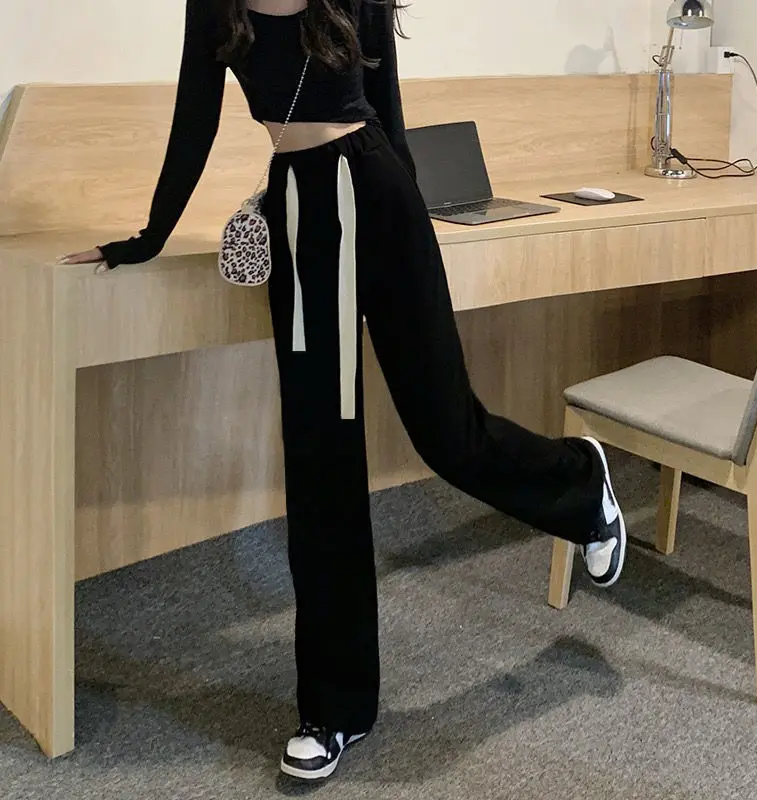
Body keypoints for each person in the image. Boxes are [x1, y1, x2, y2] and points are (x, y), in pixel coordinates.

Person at [61, 0, 627, 781]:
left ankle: (579, 481)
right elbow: (194, 118)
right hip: (300, 214)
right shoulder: (215, 4)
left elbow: (387, 105)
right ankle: (335, 709)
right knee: (320, 462)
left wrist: (418, 229)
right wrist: (147, 238)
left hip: (382, 197)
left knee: (447, 433)